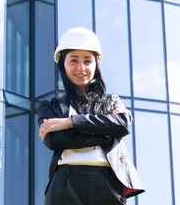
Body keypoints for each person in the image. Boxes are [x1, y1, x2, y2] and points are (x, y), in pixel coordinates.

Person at [37, 27, 144, 205]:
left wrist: (70, 123)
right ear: (63, 65)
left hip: (107, 183)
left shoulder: (112, 101)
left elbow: (123, 124)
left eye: (88, 61)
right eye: (74, 60)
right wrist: (107, 132)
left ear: (96, 65)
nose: (81, 67)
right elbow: (54, 140)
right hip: (65, 184)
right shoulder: (49, 106)